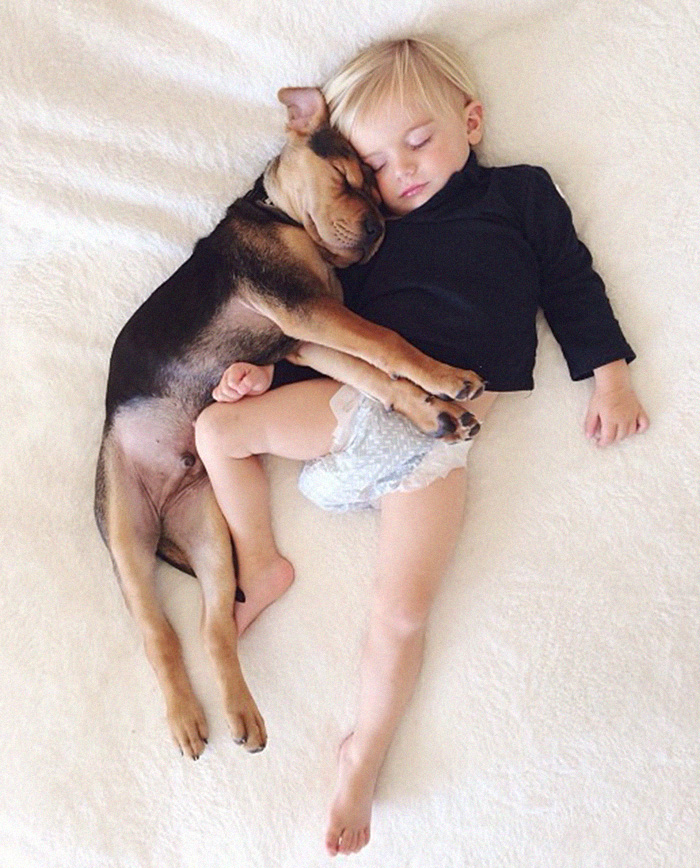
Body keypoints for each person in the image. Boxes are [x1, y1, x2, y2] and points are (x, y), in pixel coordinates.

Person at [194, 36, 649, 856]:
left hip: (438, 444)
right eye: (375, 164)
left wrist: (609, 376)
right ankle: (260, 559)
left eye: (420, 141)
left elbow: (573, 281)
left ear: (470, 121)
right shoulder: (365, 236)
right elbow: (319, 322)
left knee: (401, 615)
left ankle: (362, 753)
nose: (401, 172)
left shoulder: (520, 196)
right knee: (215, 427)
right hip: (351, 401)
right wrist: (259, 374)